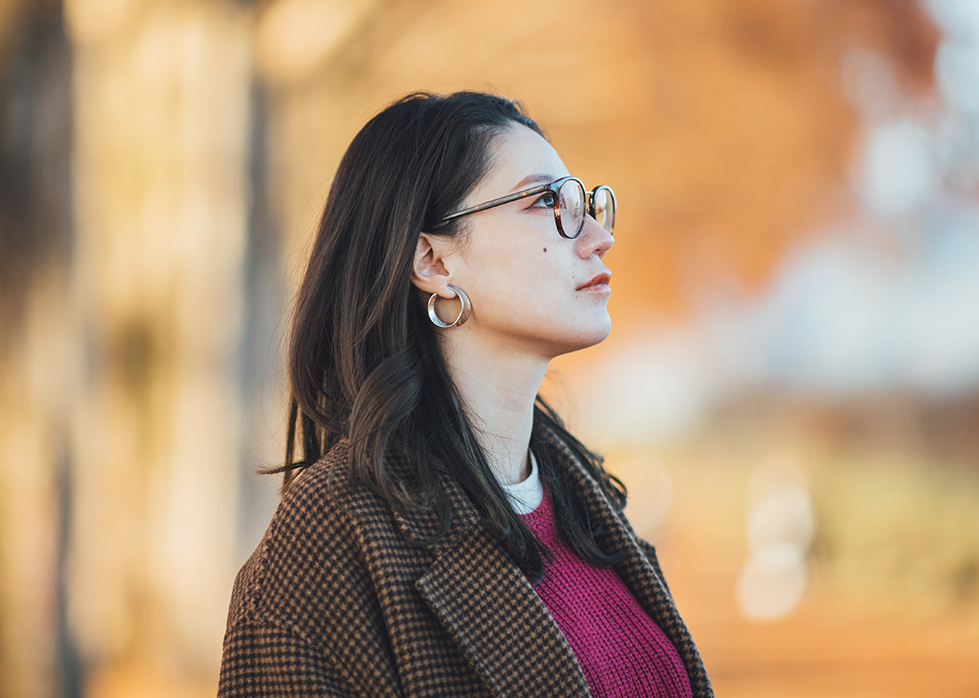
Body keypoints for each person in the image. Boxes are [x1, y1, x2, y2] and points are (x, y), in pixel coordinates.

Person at [220, 91, 711, 697]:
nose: (595, 237)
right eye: (545, 202)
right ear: (432, 259)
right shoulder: (327, 543)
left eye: (587, 204)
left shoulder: (585, 501)